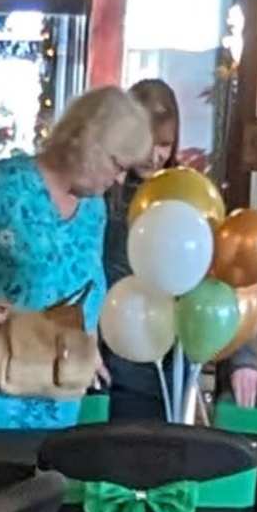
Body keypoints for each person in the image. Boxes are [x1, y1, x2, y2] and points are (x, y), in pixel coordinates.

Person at [0, 84, 153, 437]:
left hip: (53, 397)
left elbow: (85, 285)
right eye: (117, 165)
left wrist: (87, 349)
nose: (120, 179)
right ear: (90, 144)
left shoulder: (93, 209)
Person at [98, 74, 187, 419]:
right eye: (147, 142)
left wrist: (244, 360)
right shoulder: (101, 191)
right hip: (100, 354)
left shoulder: (185, 193)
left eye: (165, 143)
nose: (155, 155)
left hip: (159, 362)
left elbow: (216, 269)